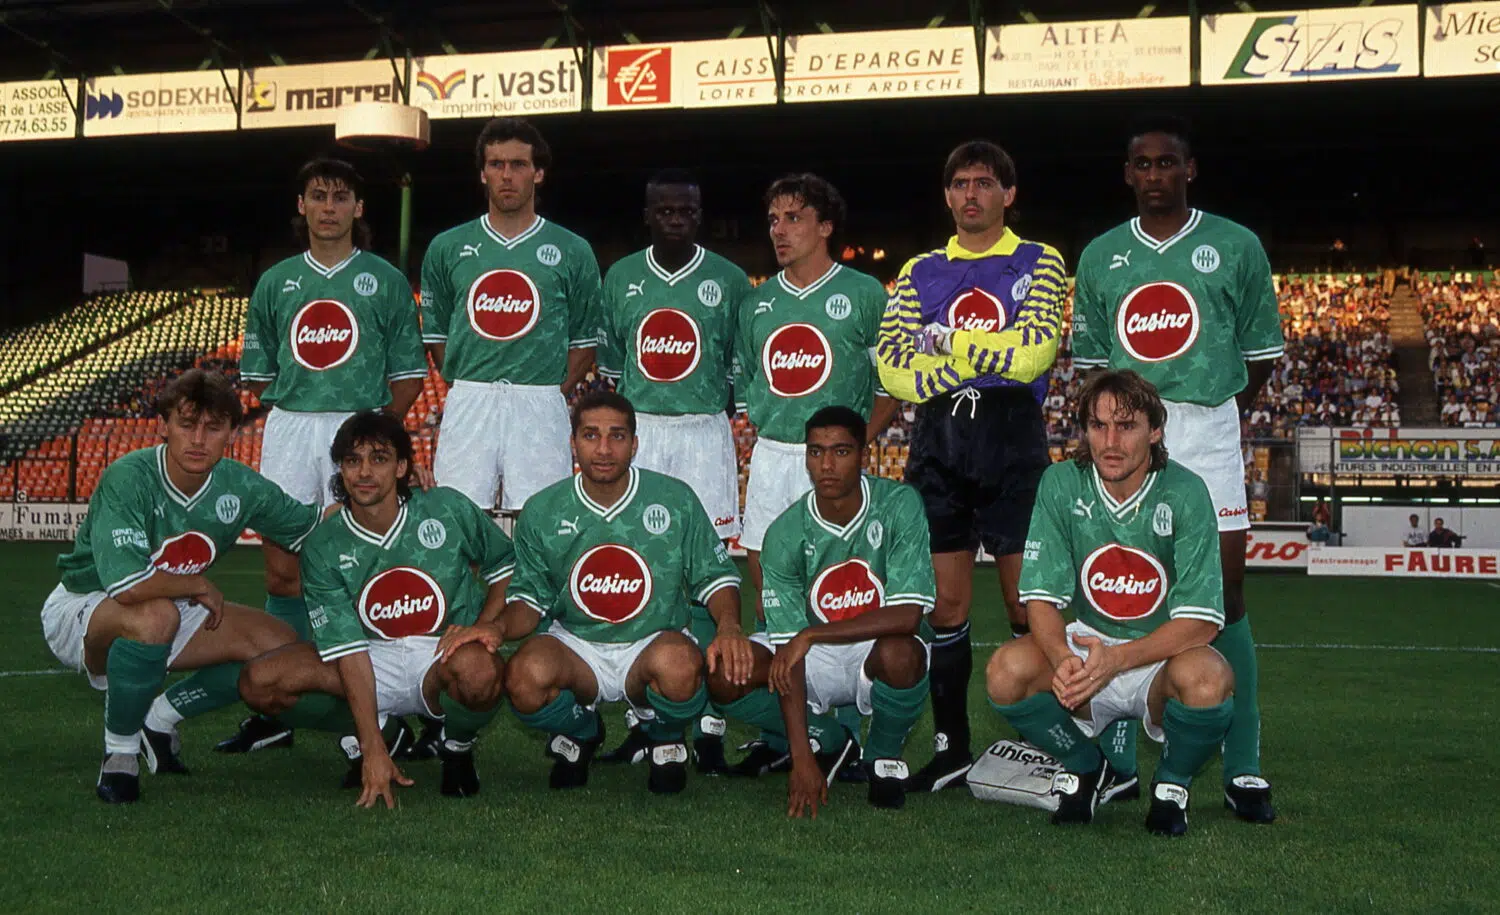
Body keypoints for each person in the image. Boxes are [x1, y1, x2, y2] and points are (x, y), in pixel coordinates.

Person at [1071, 115, 1282, 823]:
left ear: (1190, 170)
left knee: (1225, 592)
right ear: (1127, 173)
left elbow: (1260, 354)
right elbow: (1094, 364)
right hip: (1125, 430)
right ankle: (1125, 754)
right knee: (1127, 582)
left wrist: (1206, 412)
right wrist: (1124, 426)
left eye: (1168, 163)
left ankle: (1244, 762)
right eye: (1142, 163)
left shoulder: (1236, 244)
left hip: (1205, 423)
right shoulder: (1102, 256)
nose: (1155, 174)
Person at [438, 391, 754, 795]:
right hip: (578, 647)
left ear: (635, 444)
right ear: (573, 443)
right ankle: (583, 731)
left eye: (617, 436)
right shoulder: (544, 509)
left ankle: (665, 737)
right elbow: (528, 601)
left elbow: (718, 576)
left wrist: (728, 625)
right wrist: (496, 628)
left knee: (679, 664)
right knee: (524, 677)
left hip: (653, 641)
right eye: (590, 435)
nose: (603, 449)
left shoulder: (674, 499)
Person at [875, 140, 1068, 792]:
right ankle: (952, 747)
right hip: (939, 446)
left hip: (1013, 441)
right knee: (946, 605)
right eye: (959, 183)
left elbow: (1035, 354)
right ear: (947, 194)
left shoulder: (1039, 261)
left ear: (1008, 194)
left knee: (1027, 602)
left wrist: (946, 340)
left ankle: (1042, 747)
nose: (971, 195)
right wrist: (986, 351)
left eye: (984, 183)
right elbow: (895, 368)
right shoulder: (919, 269)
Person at [221, 157, 428, 755]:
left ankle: (376, 703)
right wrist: (304, 410)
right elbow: (259, 377)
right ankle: (281, 704)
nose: (330, 206)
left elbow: (410, 375)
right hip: (290, 428)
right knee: (283, 569)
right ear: (302, 205)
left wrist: (371, 435)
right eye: (319, 196)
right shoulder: (276, 281)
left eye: (342, 197)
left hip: (357, 428)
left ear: (359, 208)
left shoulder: (385, 280)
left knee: (362, 563)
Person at [39, 369, 319, 803]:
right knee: (155, 615)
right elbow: (128, 584)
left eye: (213, 427)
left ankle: (159, 717)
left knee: (280, 647)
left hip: (170, 601)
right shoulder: (129, 477)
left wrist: (370, 509)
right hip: (88, 602)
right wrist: (198, 585)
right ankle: (120, 755)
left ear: (231, 431)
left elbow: (310, 530)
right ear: (164, 425)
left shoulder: (239, 485)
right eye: (187, 424)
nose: (198, 439)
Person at [985, 370, 1234, 835]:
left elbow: (1201, 622)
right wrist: (1062, 661)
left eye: (1127, 426)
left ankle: (1172, 784)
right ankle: (1086, 767)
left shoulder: (1185, 491)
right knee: (1005, 671)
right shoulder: (1061, 483)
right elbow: (1039, 598)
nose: (1110, 441)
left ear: (1155, 430)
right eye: (1098, 426)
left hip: (1160, 656)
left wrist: (1118, 661)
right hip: (1087, 645)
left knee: (1208, 677)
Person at [236, 412, 514, 807]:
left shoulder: (445, 509)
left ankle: (456, 744)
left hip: (442, 651)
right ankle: (384, 732)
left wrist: (484, 627)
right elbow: (347, 649)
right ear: (341, 469)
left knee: (481, 671)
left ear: (402, 466)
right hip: (369, 654)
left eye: (379, 459)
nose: (364, 472)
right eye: (353, 460)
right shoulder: (325, 544)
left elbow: (505, 565)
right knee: (259, 682)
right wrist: (373, 749)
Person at [732, 173, 898, 773]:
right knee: (770, 592)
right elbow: (747, 388)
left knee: (843, 584)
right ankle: (805, 733)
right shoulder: (756, 304)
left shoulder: (864, 294)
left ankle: (850, 719)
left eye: (794, 217)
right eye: (774, 219)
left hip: (836, 460)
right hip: (775, 456)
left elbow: (892, 389)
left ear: (826, 226)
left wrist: (849, 449)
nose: (780, 229)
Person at [594, 169, 752, 772]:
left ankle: (710, 719)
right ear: (647, 214)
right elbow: (612, 367)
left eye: (686, 209)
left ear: (700, 212)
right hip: (644, 434)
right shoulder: (623, 277)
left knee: (708, 567)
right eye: (664, 209)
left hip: (702, 430)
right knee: (637, 565)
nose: (676, 218)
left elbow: (740, 368)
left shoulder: (730, 280)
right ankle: (647, 718)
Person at [710, 406, 935, 813]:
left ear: (863, 455)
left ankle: (882, 757)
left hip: (873, 646)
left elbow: (907, 616)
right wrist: (803, 759)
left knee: (904, 653)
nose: (826, 465)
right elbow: (788, 656)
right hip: (810, 659)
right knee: (726, 675)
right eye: (815, 452)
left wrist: (812, 634)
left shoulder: (899, 504)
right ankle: (828, 739)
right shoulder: (785, 533)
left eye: (841, 452)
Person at [420, 117, 602, 515]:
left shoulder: (572, 250)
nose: (507, 175)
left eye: (518, 165)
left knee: (541, 524)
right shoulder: (447, 247)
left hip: (539, 400)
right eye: (496, 164)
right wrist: (467, 382)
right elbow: (435, 335)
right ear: (482, 173)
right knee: (458, 520)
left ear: (538, 173)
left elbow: (585, 341)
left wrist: (548, 391)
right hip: (470, 396)